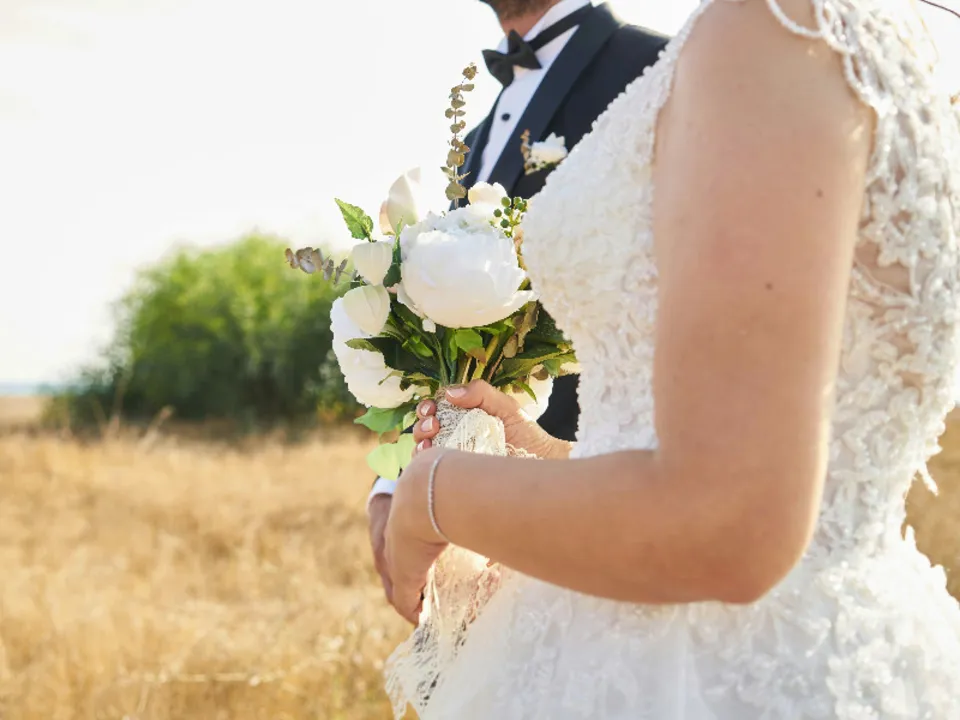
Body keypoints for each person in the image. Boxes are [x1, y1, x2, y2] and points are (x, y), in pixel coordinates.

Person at [384, 0, 960, 717]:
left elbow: (729, 522)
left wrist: (431, 495)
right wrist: (561, 463)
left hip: (723, 676)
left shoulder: (776, 29)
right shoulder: (813, 30)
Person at [366, 0, 669, 611]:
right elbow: (442, 342)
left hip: (616, 530)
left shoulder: (664, 71)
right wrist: (390, 482)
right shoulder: (477, 140)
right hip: (482, 553)